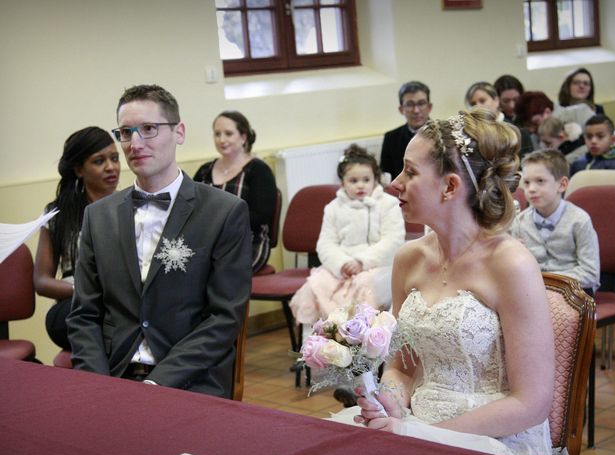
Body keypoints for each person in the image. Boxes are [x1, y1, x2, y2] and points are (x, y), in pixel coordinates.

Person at [332, 107, 561, 455]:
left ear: (450, 186)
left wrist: (427, 438)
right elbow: (402, 367)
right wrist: (391, 399)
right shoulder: (408, 259)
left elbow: (531, 403)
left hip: (496, 441)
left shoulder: (510, 264)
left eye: (410, 172)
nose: (393, 183)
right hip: (417, 424)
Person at [66, 85, 252, 397]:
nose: (134, 143)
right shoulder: (98, 216)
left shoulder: (224, 212)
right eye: (126, 132)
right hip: (115, 374)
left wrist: (157, 383)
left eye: (149, 129)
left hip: (191, 379)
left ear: (179, 132)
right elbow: (84, 314)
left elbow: (224, 317)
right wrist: (96, 384)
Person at [290, 144, 405, 328]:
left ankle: (363, 343)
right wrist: (342, 263)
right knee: (315, 285)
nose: (360, 185)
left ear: (375, 179)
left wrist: (361, 262)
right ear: (343, 182)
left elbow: (393, 240)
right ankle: (319, 343)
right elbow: (326, 244)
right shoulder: (333, 208)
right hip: (342, 267)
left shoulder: (388, 204)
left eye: (366, 179)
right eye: (353, 180)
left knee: (364, 285)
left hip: (378, 265)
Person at [34, 127, 121, 351]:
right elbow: (41, 281)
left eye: (114, 158)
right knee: (72, 319)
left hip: (122, 299)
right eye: (99, 161)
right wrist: (88, 290)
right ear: (79, 170)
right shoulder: (56, 215)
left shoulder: (131, 206)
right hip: (77, 302)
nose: (111, 167)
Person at [194, 110, 277, 273]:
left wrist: (218, 225)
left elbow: (261, 215)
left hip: (246, 245)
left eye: (228, 134)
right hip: (208, 243)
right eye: (217, 134)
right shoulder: (205, 170)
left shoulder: (258, 170)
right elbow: (188, 205)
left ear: (244, 137)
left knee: (210, 274)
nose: (221, 140)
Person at [511, 150, 600, 296]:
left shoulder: (579, 220)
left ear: (562, 185)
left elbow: (590, 273)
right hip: (533, 291)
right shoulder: (519, 221)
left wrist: (544, 280)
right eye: (526, 183)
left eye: (540, 181)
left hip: (575, 292)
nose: (531, 189)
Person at [464, 81, 533, 158]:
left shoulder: (520, 131)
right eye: (473, 104)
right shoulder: (469, 135)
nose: (478, 106)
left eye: (482, 101)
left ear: (496, 101)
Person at [380, 81, 432, 181]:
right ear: (401, 109)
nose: (416, 110)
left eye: (421, 103)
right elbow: (387, 177)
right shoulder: (391, 138)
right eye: (409, 104)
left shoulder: (445, 134)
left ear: (429, 107)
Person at [515, 91, 594, 150]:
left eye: (535, 123)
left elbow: (596, 145)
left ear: (547, 112)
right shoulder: (535, 137)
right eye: (528, 126)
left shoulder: (581, 113)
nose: (531, 130)